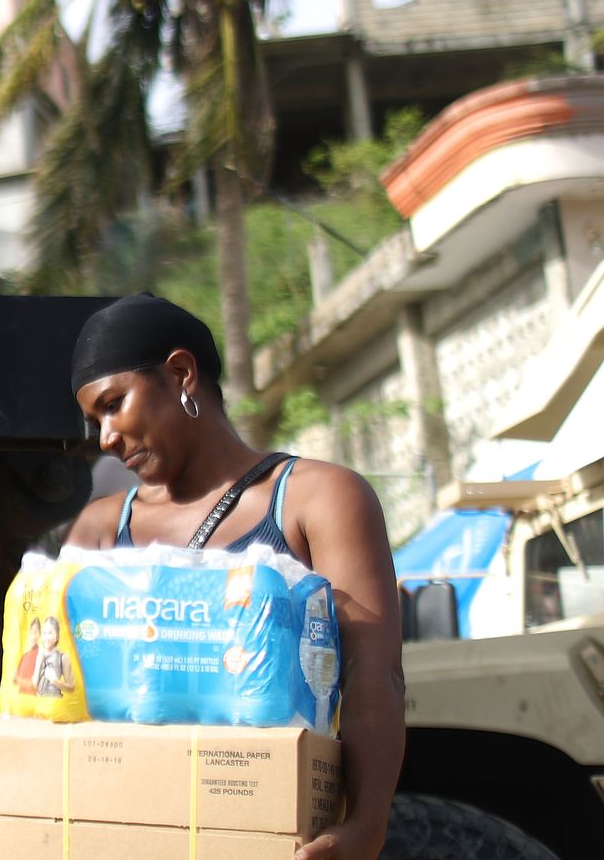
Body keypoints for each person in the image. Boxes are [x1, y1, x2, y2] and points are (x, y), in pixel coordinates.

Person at [60, 292, 403, 860]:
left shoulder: (315, 499)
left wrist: (366, 826)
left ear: (180, 375)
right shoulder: (100, 531)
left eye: (114, 404)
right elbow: (50, 699)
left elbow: (374, 671)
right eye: (95, 420)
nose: (105, 438)